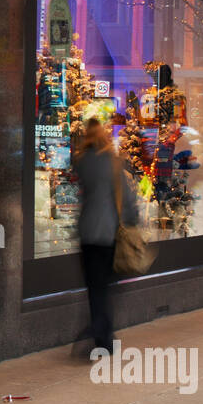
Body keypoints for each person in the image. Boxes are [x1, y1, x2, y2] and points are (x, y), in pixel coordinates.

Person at [73, 118, 139, 356]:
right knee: (106, 286)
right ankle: (103, 337)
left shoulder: (81, 162)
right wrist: (133, 221)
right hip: (108, 231)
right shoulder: (112, 162)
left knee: (94, 286)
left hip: (87, 231)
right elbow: (127, 198)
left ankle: (100, 331)